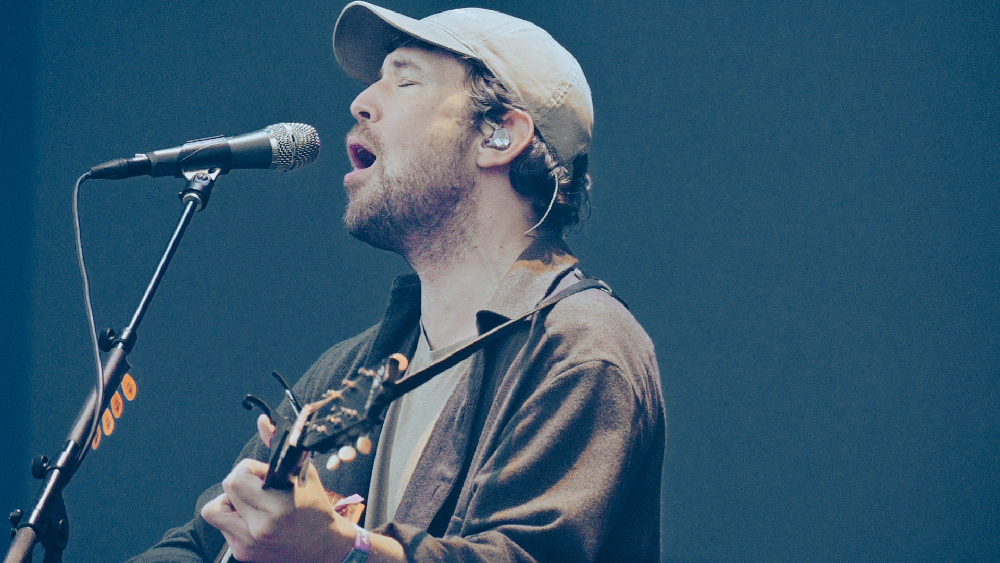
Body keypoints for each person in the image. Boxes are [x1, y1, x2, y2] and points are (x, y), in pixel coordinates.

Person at [127, 2, 665, 562]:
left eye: (403, 79)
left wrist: (341, 550)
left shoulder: (581, 349)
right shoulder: (353, 371)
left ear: (499, 135)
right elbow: (197, 544)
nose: (360, 102)